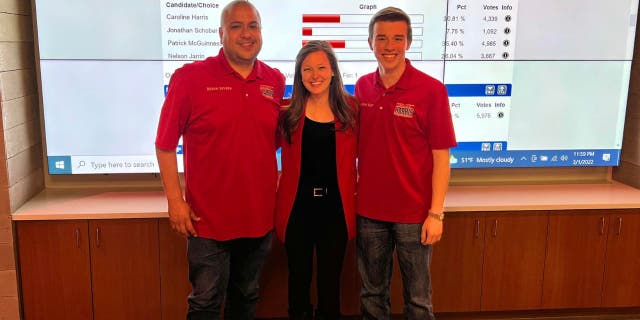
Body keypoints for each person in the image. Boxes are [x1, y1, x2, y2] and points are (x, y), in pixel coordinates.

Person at [154, 1, 285, 319]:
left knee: (246, 296)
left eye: (252, 25)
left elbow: (274, 142)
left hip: (258, 217)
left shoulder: (274, 80)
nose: (246, 33)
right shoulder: (190, 78)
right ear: (221, 33)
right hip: (207, 221)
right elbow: (165, 144)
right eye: (237, 26)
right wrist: (175, 200)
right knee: (206, 303)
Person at [354, 7, 457, 320]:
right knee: (372, 295)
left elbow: (442, 157)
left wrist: (436, 213)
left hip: (414, 215)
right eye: (382, 38)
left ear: (409, 43)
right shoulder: (362, 87)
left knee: (418, 300)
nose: (389, 46)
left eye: (397, 38)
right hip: (369, 212)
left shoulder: (431, 91)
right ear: (371, 42)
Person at [275, 40, 358, 320]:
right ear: (299, 75)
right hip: (297, 210)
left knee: (330, 286)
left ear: (333, 70)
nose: (315, 75)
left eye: (322, 67)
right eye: (307, 69)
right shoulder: (288, 112)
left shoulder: (352, 110)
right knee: (297, 283)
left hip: (335, 211)